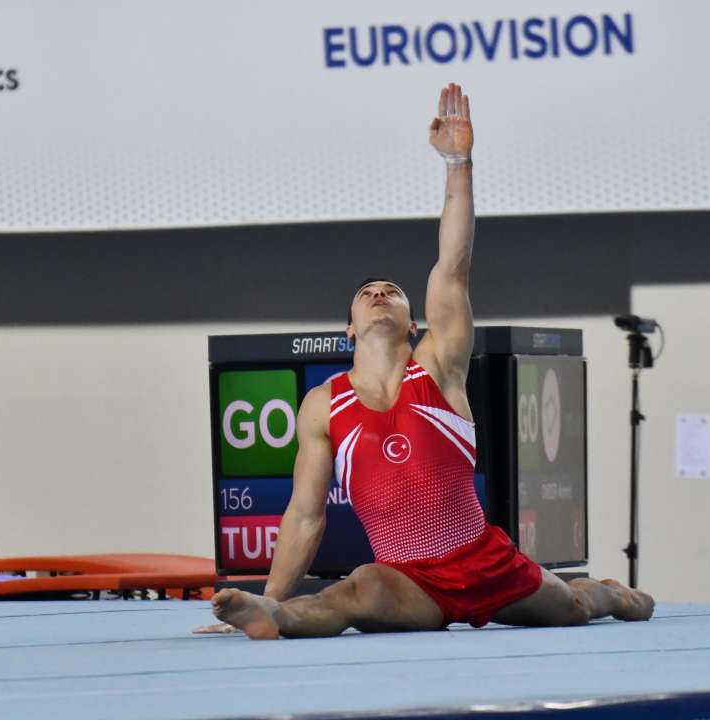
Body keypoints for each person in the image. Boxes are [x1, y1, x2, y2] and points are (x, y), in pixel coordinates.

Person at [204, 83, 654, 639]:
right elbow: (305, 513)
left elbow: (453, 265)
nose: (378, 294)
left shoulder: (438, 365)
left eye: (391, 290)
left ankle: (611, 592)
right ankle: (271, 615)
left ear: (413, 324)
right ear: (349, 328)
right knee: (354, 592)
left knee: (574, 609)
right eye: (367, 292)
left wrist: (458, 164)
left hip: (484, 559)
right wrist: (270, 594)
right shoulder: (324, 406)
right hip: (410, 580)